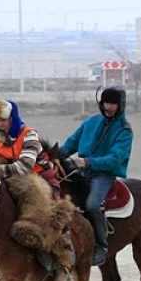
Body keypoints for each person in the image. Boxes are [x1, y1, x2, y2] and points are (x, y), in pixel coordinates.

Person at [57, 87, 133, 266]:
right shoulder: (91, 122)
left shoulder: (124, 130)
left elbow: (116, 158)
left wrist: (89, 162)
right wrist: (53, 155)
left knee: (92, 204)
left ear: (120, 105)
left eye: (113, 103)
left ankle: (101, 246)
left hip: (103, 175)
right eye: (105, 102)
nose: (108, 107)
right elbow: (70, 145)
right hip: (80, 171)